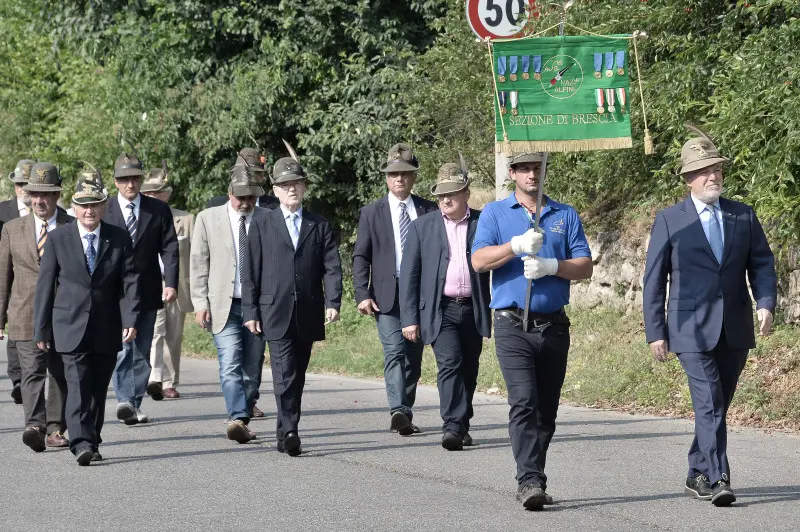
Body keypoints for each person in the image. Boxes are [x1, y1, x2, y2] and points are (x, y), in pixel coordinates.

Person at [642, 129, 777, 507]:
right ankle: (718, 479)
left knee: (719, 402)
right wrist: (656, 330)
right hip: (688, 328)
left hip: (733, 326)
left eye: (716, 169)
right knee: (710, 403)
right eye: (704, 171)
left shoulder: (742, 215)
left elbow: (762, 262)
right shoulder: (670, 219)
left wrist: (765, 302)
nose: (713, 176)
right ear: (688, 178)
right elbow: (654, 279)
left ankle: (696, 470)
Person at [471, 152, 592, 510]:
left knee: (547, 410)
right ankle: (530, 479)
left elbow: (584, 266)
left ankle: (534, 471)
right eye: (524, 169)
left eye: (537, 168)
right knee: (523, 401)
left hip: (553, 324)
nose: (531, 175)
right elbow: (478, 261)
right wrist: (515, 247)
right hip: (512, 323)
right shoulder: (495, 213)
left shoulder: (564, 214)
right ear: (512, 174)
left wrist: (552, 265)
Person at [33, 169, 139, 466]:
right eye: (84, 205)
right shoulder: (58, 239)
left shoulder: (118, 237)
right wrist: (41, 329)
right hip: (69, 325)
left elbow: (129, 280)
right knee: (77, 384)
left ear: (103, 206)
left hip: (106, 326)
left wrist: (130, 318)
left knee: (97, 389)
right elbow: (45, 286)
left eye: (95, 204)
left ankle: (91, 438)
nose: (89, 210)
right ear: (74, 208)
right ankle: (80, 442)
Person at [243, 147, 342, 457]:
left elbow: (331, 265)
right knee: (284, 371)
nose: (291, 189)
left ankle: (283, 429)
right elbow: (250, 270)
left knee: (297, 374)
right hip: (274, 309)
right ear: (275, 190)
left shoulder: (319, 224)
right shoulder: (261, 222)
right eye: (285, 185)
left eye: (296, 184)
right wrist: (250, 309)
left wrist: (334, 300)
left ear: (304, 187)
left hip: (309, 310)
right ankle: (290, 431)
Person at [399, 162, 491, 451]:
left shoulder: (483, 223)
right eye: (440, 196)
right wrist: (409, 318)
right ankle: (452, 425)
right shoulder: (421, 227)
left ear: (466, 193)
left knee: (469, 368)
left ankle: (461, 423)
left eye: (452, 194)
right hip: (441, 309)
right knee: (450, 364)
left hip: (474, 307)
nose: (445, 200)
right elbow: (410, 276)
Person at [352, 143, 437, 435]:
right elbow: (361, 256)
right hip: (386, 294)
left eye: (405, 174)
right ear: (386, 178)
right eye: (393, 174)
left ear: (414, 177)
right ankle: (398, 410)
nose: (399, 179)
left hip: (420, 292)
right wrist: (362, 293)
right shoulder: (371, 213)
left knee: (413, 356)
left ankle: (405, 411)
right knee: (394, 352)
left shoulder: (429, 210)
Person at [191, 164, 267, 444]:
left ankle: (244, 409)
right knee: (229, 362)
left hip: (257, 306)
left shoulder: (267, 219)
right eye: (241, 197)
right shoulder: (207, 219)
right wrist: (200, 302)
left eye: (251, 197)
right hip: (223, 304)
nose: (246, 202)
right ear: (229, 192)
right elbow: (198, 264)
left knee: (253, 366)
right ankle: (238, 417)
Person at [0, 162, 72, 451]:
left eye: (47, 194)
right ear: (27, 195)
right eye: (34, 194)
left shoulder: (72, 225)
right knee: (31, 372)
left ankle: (55, 429)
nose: (40, 200)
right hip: (24, 312)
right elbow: (3, 275)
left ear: (56, 195)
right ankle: (34, 424)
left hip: (64, 313)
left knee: (60, 371)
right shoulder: (12, 229)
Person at [103, 153, 178, 424]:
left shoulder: (157, 210)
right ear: (115, 182)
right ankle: (125, 399)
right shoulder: (105, 209)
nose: (130, 184)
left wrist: (170, 282)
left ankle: (133, 402)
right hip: (113, 292)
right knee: (122, 346)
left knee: (142, 349)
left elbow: (169, 247)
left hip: (147, 290)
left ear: (141, 180)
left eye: (134, 178)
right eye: (124, 179)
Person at [141, 164, 193, 399]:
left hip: (176, 284)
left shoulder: (186, 219)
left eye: (157, 191)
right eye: (148, 192)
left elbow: (197, 255)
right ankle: (154, 378)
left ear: (167, 193)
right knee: (155, 332)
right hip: (149, 283)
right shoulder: (140, 217)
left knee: (173, 334)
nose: (152, 196)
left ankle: (170, 381)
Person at [0, 159, 35, 405]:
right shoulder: (2, 212)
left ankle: (32, 376)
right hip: (7, 275)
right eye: (20, 184)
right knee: (15, 328)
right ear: (14, 187)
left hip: (32, 275)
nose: (23, 189)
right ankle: (19, 380)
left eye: (27, 184)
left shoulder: (52, 211)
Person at [206, 148, 279, 210]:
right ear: (233, 176)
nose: (247, 177)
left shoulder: (275, 206)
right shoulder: (216, 205)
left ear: (262, 176)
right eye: (241, 173)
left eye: (252, 173)